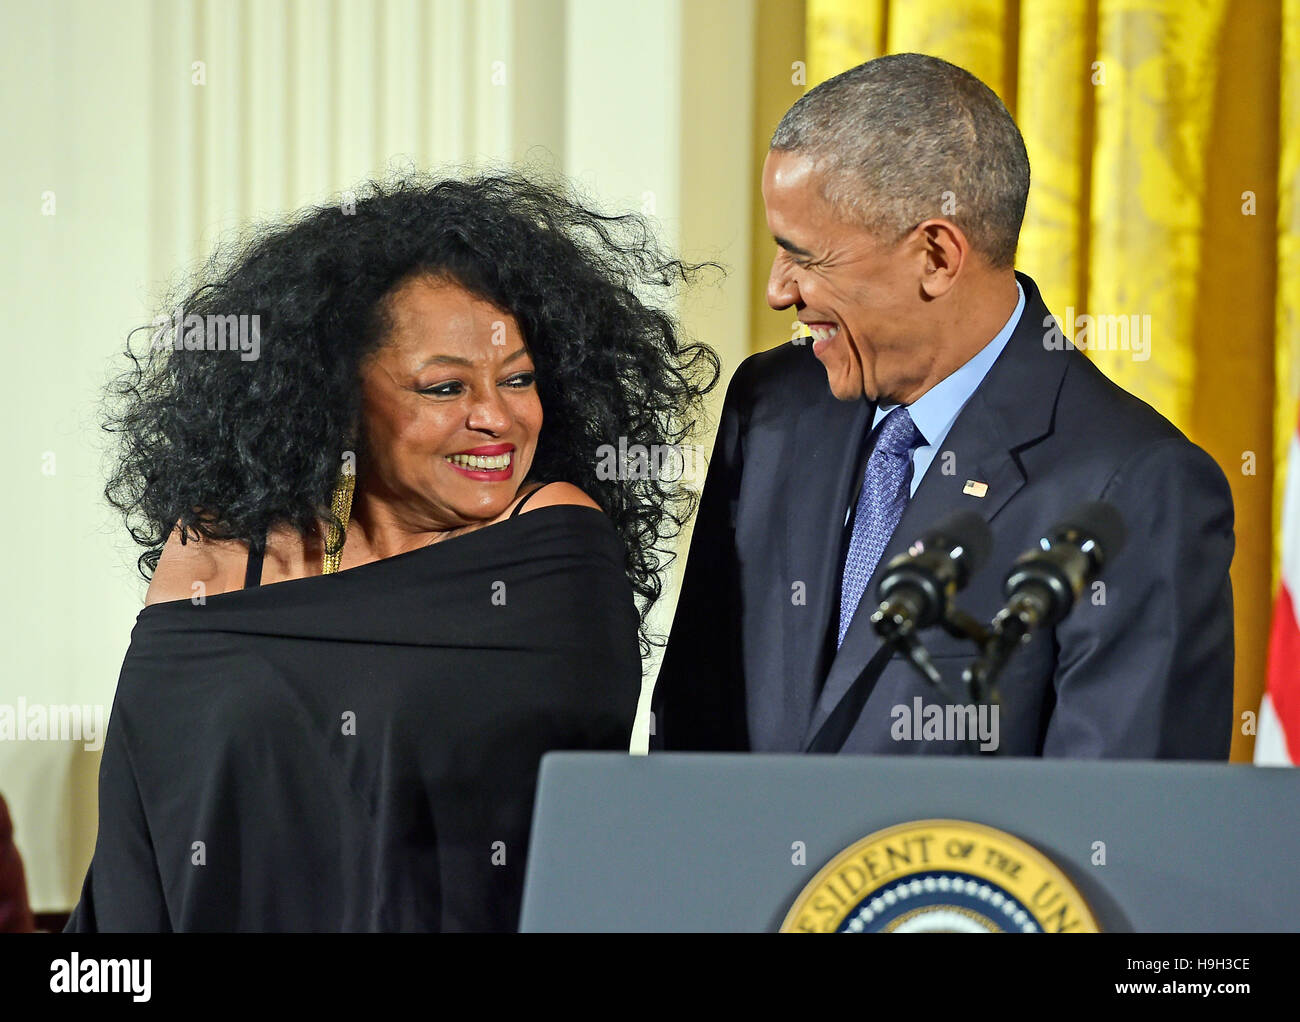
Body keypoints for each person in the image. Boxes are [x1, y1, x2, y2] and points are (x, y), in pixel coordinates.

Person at [67, 172, 719, 931]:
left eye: (519, 380)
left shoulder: (553, 547)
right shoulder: (216, 547)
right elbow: (145, 821)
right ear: (336, 398)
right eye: (445, 389)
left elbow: (504, 822)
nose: (497, 419)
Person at [653, 53, 1234, 758]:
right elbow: (692, 727)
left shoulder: (1137, 487)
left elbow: (1121, 831)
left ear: (935, 256)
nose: (780, 291)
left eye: (805, 256)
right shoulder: (771, 407)